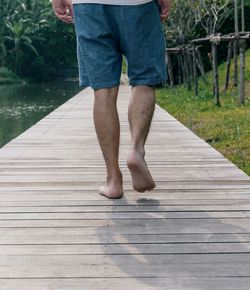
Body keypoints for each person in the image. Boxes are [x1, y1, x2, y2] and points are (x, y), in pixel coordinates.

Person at [52, 0, 171, 199]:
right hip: (139, 4)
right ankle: (136, 150)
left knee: (103, 90)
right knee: (144, 80)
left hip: (89, 6)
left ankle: (113, 180)